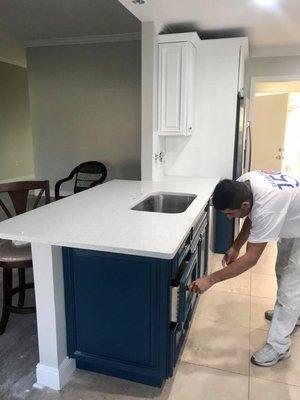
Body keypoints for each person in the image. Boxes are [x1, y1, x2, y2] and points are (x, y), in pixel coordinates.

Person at [189, 170, 300, 367]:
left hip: (296, 224)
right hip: (293, 221)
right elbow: (251, 217)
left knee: (291, 287)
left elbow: (251, 259)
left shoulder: (268, 207)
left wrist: (211, 279)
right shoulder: (244, 184)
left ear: (244, 204)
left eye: (230, 214)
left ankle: (279, 347)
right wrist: (236, 246)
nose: (230, 218)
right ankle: (293, 315)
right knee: (282, 269)